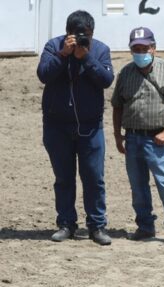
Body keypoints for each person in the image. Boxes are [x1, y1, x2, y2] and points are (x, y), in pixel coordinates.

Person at [37, 10, 114, 245]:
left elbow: (106, 80)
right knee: (63, 178)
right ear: (67, 32)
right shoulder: (53, 46)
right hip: (57, 126)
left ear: (92, 33)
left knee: (94, 178)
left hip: (90, 127)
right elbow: (43, 75)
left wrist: (86, 58)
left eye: (87, 35)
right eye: (78, 34)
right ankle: (66, 224)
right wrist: (63, 54)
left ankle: (97, 226)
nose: (82, 38)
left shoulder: (100, 49)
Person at [111, 27, 164, 247]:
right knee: (138, 186)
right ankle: (145, 226)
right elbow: (117, 106)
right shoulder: (125, 73)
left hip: (157, 139)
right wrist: (118, 136)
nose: (140, 52)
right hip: (132, 137)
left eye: (144, 48)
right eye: (136, 48)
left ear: (153, 48)